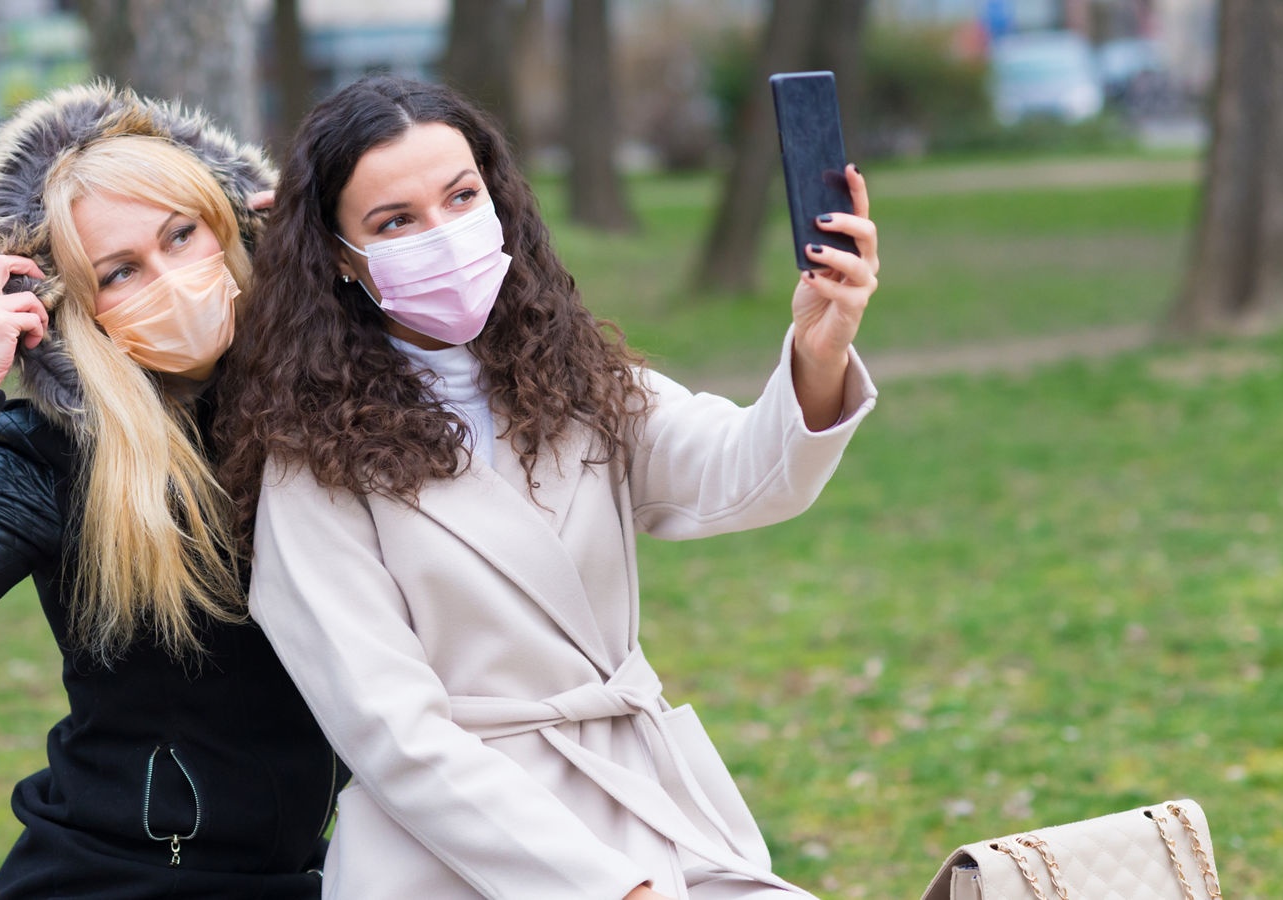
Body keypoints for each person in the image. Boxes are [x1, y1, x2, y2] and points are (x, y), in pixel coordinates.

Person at [212, 76, 880, 900]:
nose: (444, 235)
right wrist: (611, 890)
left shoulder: (570, 376)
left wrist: (817, 351)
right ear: (339, 257)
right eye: (395, 222)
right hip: (453, 859)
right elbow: (395, 737)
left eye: (462, 197)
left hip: (647, 807)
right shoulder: (308, 462)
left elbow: (742, 472)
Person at [0, 83, 341, 899]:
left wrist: (338, 268)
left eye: (181, 234)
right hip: (114, 880)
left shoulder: (325, 405)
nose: (171, 278)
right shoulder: (56, 459)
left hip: (308, 873)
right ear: (72, 312)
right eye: (120, 271)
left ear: (232, 223)